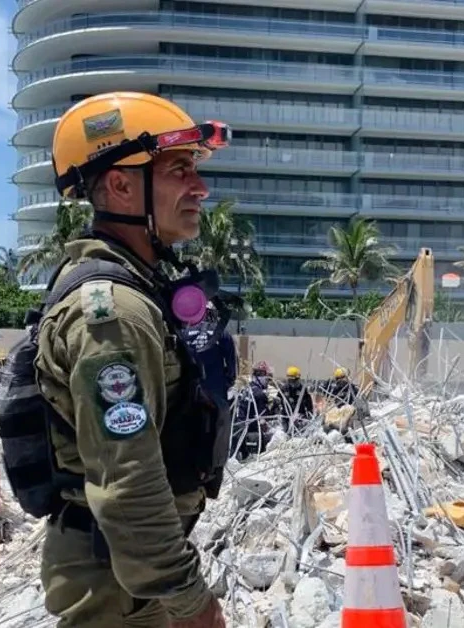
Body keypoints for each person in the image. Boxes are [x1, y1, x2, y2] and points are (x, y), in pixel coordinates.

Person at [33, 92, 231, 628]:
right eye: (179, 170)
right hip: (119, 590)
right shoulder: (113, 312)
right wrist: (188, 600)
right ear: (121, 184)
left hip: (131, 580)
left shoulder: (138, 291)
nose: (200, 187)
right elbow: (128, 483)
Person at [278, 366, 314, 433]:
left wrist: (308, 416)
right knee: (286, 434)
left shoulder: (303, 390)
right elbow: (278, 402)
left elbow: (309, 405)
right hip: (286, 417)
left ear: (298, 379)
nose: (292, 383)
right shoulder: (284, 389)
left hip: (299, 418)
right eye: (290, 381)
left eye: (294, 381)